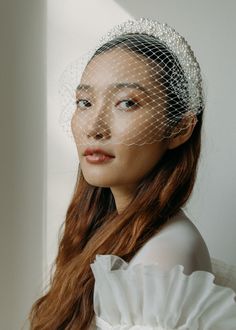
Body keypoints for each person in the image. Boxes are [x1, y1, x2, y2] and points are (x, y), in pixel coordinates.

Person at [29, 18, 236, 329]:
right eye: (84, 102)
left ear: (180, 128)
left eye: (126, 103)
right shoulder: (111, 227)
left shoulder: (163, 260)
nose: (94, 127)